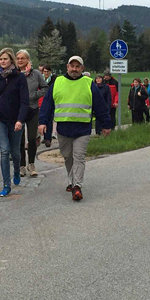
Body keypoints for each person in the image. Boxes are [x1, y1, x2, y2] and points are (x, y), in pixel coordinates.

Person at [38, 56, 111, 201]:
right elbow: (47, 104)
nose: (74, 69)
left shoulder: (89, 83)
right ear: (67, 67)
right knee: (67, 157)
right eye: (72, 66)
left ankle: (77, 186)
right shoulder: (58, 82)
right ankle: (71, 181)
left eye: (78, 67)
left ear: (82, 69)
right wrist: (42, 122)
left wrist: (106, 124)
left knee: (79, 156)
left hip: (82, 129)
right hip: (63, 128)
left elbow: (100, 106)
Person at [0, 48, 29, 197]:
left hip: (15, 120)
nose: (2, 62)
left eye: (5, 59)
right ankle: (6, 184)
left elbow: (24, 101)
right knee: (4, 151)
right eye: (0, 59)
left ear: (11, 60)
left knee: (15, 152)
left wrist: (20, 120)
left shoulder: (19, 78)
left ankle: (17, 170)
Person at [16, 50, 48, 178]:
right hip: (18, 110)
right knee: (19, 139)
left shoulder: (35, 74)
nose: (19, 61)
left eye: (22, 58)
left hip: (32, 108)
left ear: (28, 59)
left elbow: (45, 88)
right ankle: (22, 166)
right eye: (17, 58)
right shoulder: (15, 74)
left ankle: (32, 164)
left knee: (32, 138)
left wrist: (34, 95)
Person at [41, 65, 57, 147]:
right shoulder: (41, 79)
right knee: (42, 119)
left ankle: (48, 138)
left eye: (48, 71)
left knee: (49, 120)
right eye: (45, 71)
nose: (46, 73)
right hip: (41, 101)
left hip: (51, 101)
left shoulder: (54, 79)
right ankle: (44, 135)